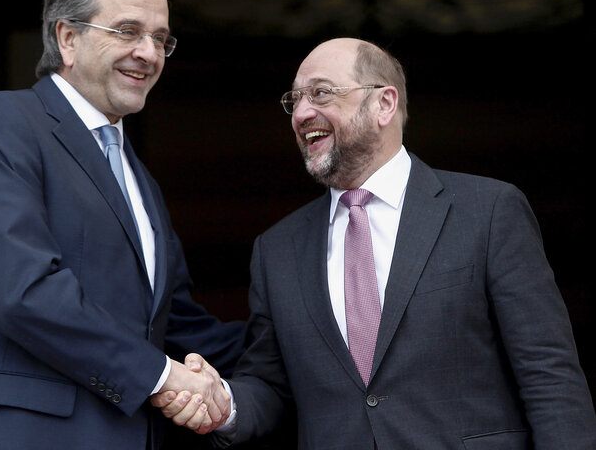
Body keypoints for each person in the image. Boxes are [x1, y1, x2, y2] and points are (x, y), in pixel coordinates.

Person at [154, 37, 596, 449]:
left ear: (384, 103)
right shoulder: (277, 249)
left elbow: (548, 374)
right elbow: (272, 386)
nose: (302, 112)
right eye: (295, 100)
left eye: (322, 93)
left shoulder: (488, 210)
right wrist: (223, 404)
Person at [0, 0, 244, 450]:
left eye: (161, 39)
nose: (149, 52)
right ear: (68, 38)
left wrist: (310, 344)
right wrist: (163, 377)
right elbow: (23, 291)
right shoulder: (4, 123)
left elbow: (174, 322)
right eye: (128, 31)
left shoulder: (136, 176)